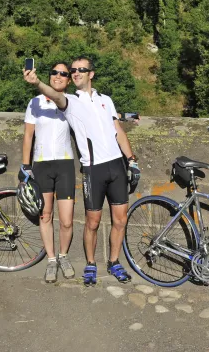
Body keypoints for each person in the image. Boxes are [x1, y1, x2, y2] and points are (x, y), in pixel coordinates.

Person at [23, 56, 140, 286]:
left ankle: (114, 261)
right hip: (93, 168)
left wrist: (132, 160)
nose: (75, 73)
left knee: (120, 220)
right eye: (72, 70)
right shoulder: (70, 101)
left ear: (91, 74)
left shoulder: (106, 99)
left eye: (80, 70)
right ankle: (90, 263)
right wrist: (36, 82)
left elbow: (118, 131)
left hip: (117, 164)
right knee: (92, 222)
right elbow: (54, 94)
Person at [21, 62, 77, 283]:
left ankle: (63, 256)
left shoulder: (70, 102)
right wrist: (25, 166)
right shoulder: (34, 103)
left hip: (64, 164)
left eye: (64, 74)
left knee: (66, 220)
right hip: (41, 163)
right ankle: (51, 260)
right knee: (45, 215)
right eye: (55, 72)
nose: (58, 76)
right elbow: (28, 136)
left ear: (69, 80)